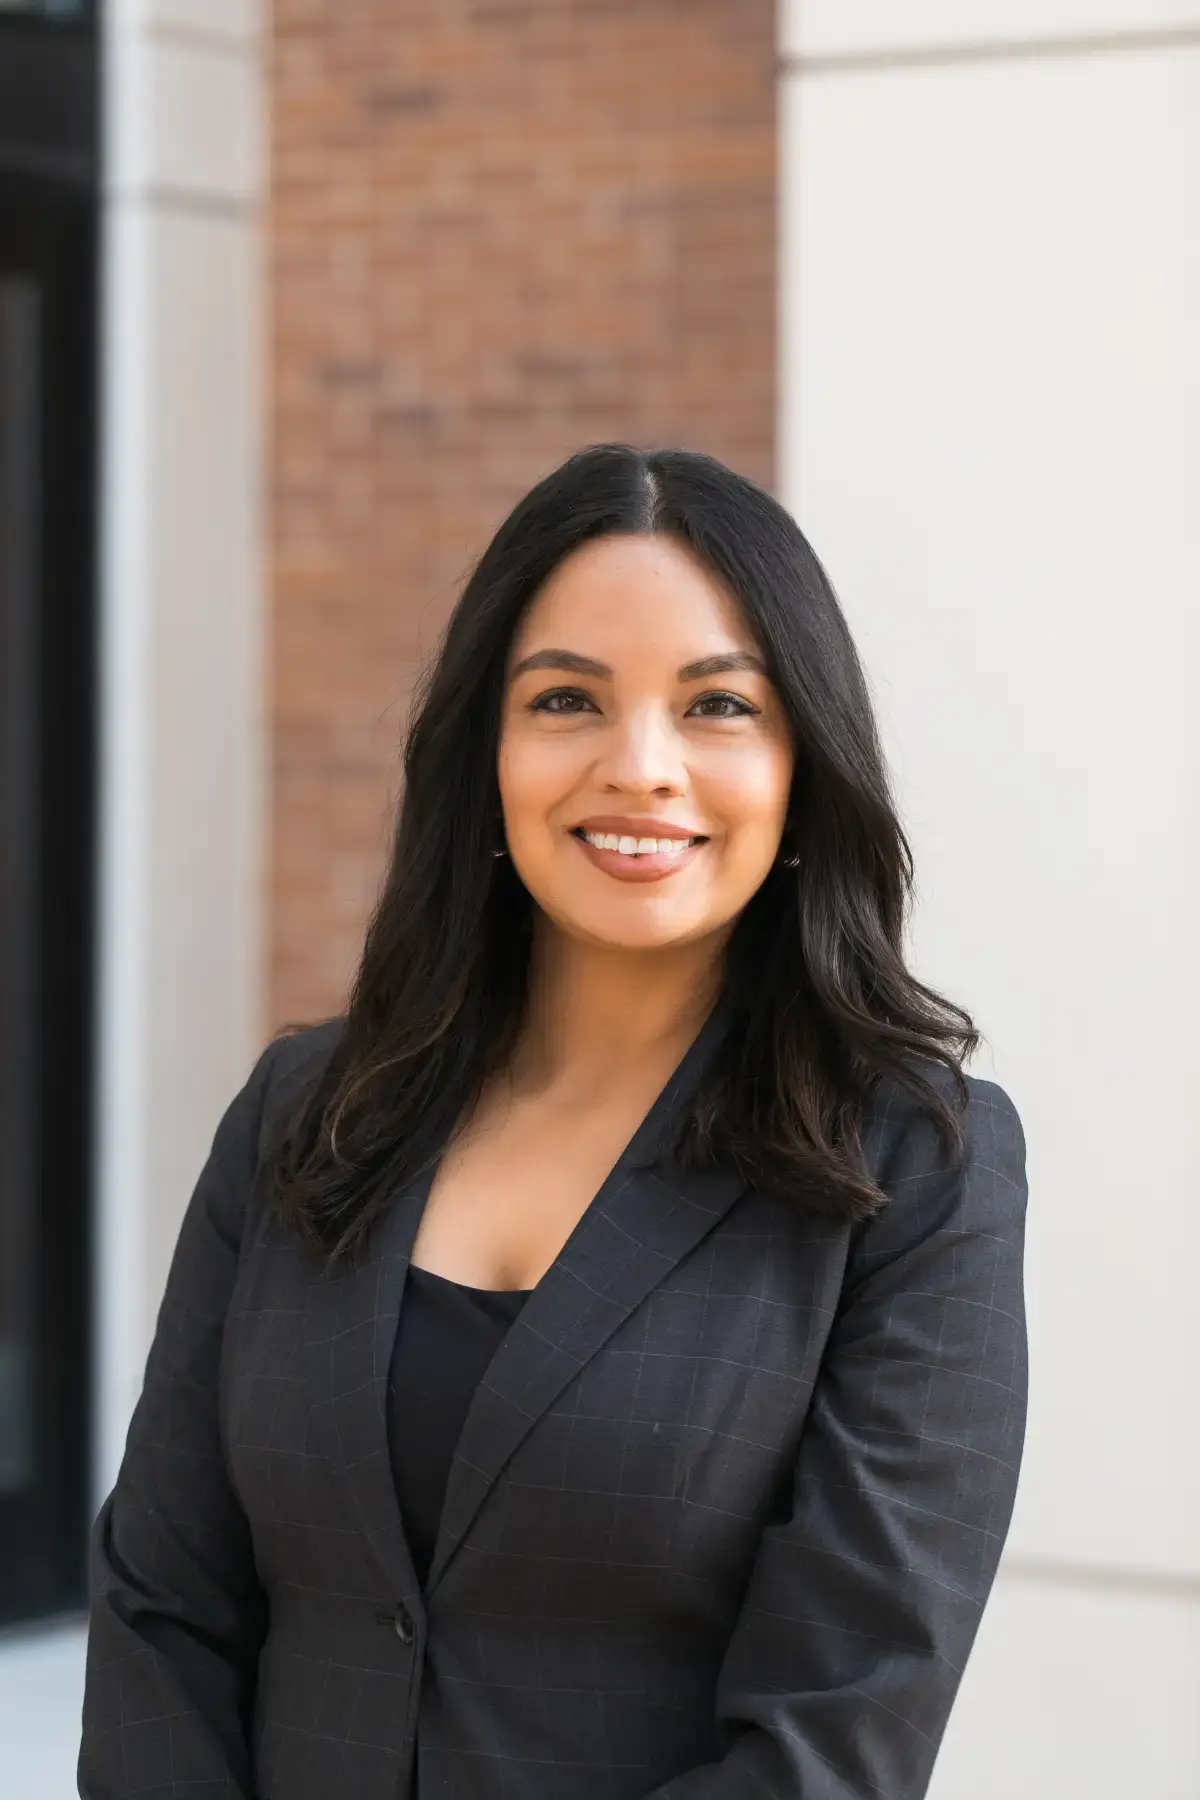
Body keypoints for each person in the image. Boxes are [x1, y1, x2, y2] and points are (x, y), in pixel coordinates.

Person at [79, 445, 1028, 1800]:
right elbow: (161, 1611)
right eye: (568, 698)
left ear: (803, 765)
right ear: (490, 751)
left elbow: (838, 1735)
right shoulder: (303, 1114)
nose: (639, 767)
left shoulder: (916, 1167)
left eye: (718, 708)